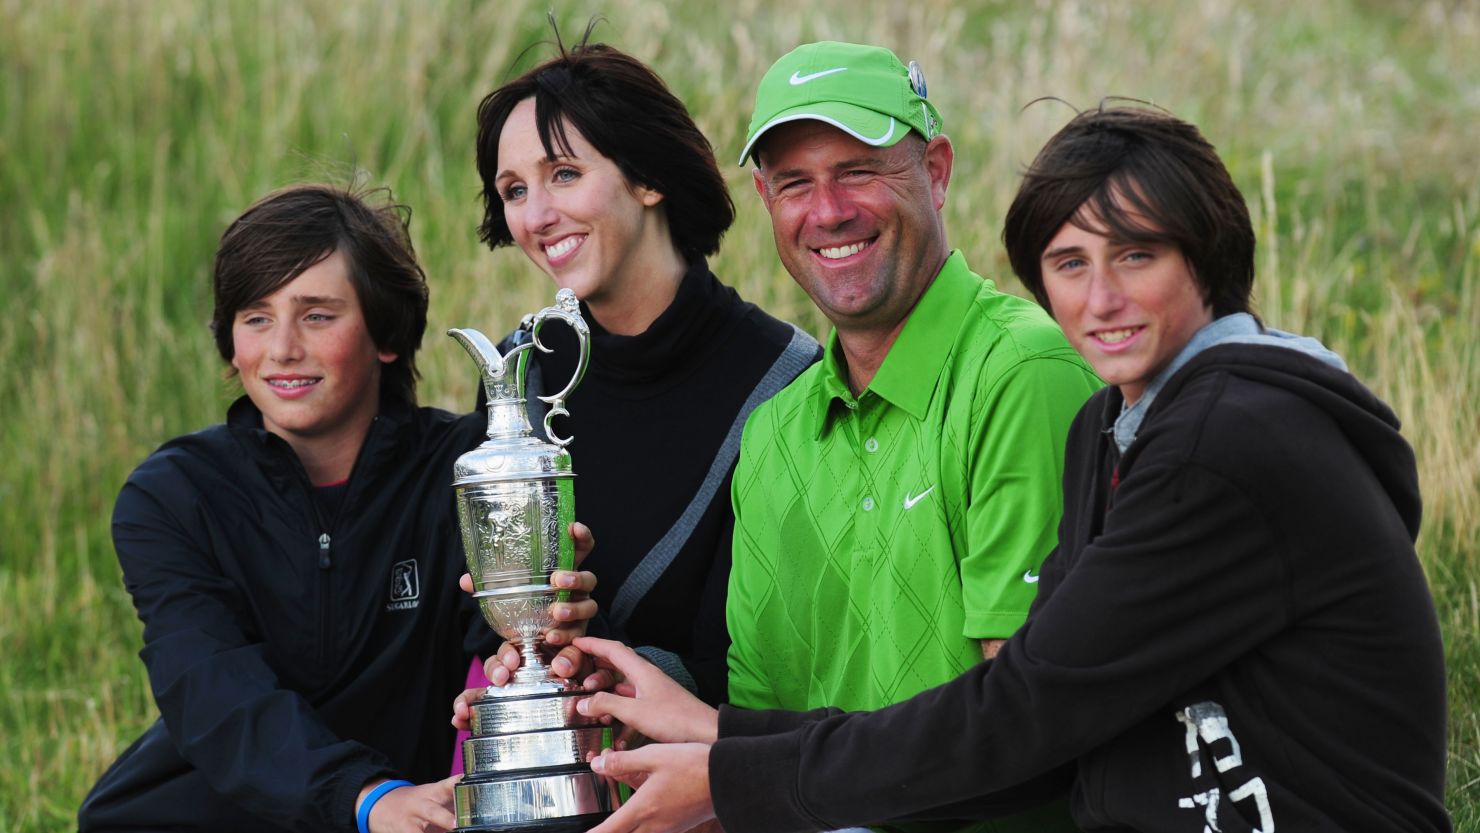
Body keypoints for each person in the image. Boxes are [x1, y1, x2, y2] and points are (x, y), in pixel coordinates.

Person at [570, 105, 1452, 833]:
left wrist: (734, 779)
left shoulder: (1224, 441)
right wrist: (729, 743)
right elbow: (1038, 724)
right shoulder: (1118, 424)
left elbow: (1023, 714)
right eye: (1070, 263)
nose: (1099, 300)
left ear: (1208, 255)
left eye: (1137, 254)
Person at [78, 185, 597, 833]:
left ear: (385, 334)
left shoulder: (469, 470)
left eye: (317, 315)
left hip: (424, 810)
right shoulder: (174, 494)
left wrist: (546, 628)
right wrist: (367, 797)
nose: (282, 349)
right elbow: (212, 685)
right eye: (255, 317)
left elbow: (499, 662)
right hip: (219, 812)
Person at [455, 29, 820, 707]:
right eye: (512, 190)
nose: (535, 216)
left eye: (564, 174)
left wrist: (601, 649)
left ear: (648, 177)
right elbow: (477, 620)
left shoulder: (786, 381)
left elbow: (765, 658)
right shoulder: (518, 370)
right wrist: (514, 646)